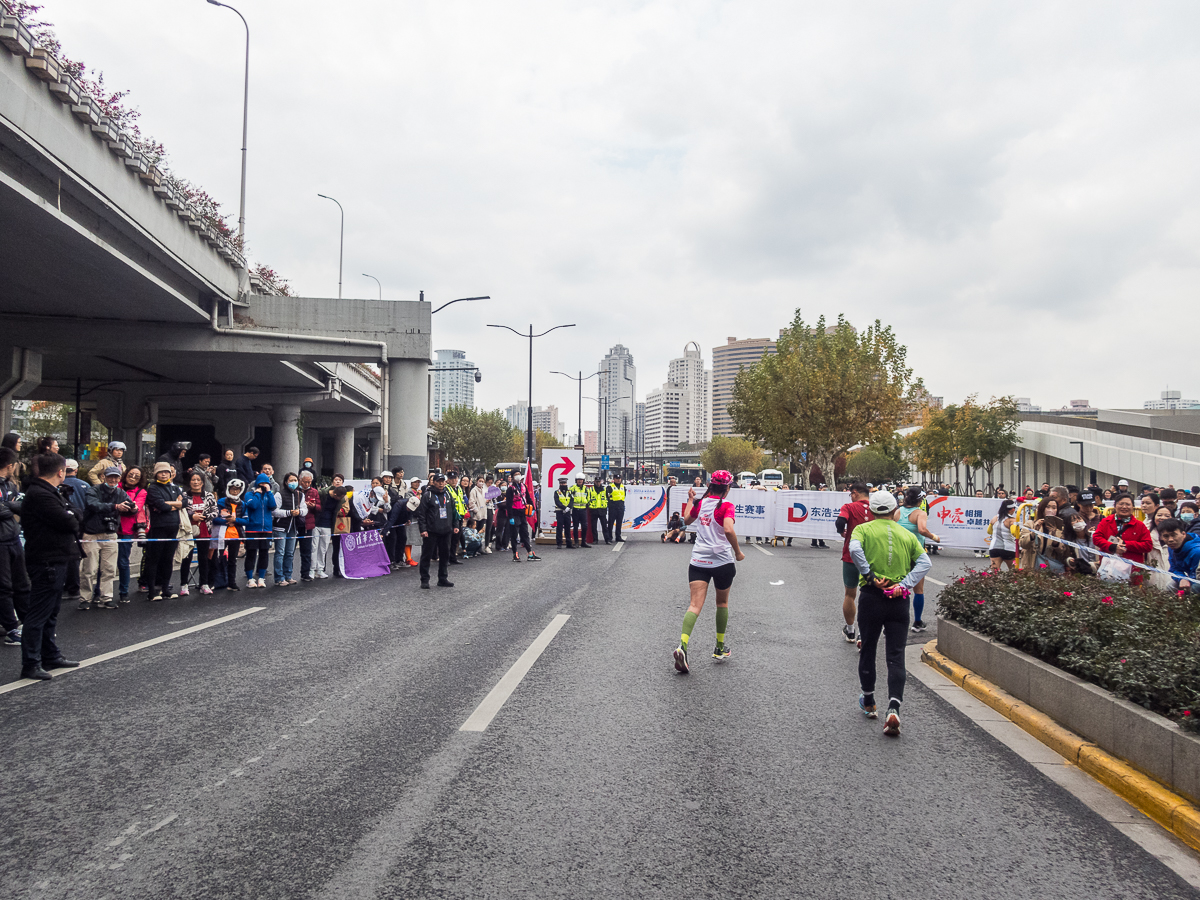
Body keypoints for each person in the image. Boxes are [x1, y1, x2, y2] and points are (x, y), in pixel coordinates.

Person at [847, 490, 931, 736]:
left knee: (869, 648)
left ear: (871, 511)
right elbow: (925, 563)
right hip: (899, 599)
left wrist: (870, 576)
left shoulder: (862, 530)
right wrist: (904, 585)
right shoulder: (906, 533)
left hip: (873, 596)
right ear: (895, 511)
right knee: (895, 654)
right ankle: (894, 707)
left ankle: (870, 700)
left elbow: (854, 550)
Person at [18, 452, 84, 680]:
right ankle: (31, 662)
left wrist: (72, 514)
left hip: (57, 558)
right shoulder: (40, 495)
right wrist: (72, 515)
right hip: (46, 560)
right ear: (60, 471)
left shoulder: (49, 492)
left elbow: (74, 514)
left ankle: (50, 654)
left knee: (51, 612)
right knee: (38, 614)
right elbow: (70, 521)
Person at [672, 470, 745, 674]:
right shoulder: (727, 506)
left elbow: (686, 520)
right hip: (722, 561)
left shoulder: (700, 503)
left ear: (710, 486)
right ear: (727, 488)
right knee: (722, 603)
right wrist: (738, 552)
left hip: (698, 561)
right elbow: (729, 530)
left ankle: (683, 646)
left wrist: (689, 499)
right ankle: (719, 648)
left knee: (695, 605)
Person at [77, 466, 132, 610]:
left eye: (116, 477)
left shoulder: (121, 492)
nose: (113, 480)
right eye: (110, 477)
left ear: (119, 479)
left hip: (110, 533)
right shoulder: (93, 490)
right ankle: (85, 598)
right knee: (89, 568)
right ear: (103, 477)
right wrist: (115, 507)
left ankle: (106, 597)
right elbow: (92, 504)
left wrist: (132, 508)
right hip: (91, 533)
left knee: (109, 569)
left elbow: (129, 505)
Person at [897, 487, 940, 630]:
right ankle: (917, 622)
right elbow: (922, 529)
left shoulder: (898, 511)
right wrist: (934, 537)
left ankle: (892, 621)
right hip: (916, 553)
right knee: (918, 589)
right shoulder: (920, 513)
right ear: (920, 500)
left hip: (899, 552)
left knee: (897, 586)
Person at [142, 462, 184, 600]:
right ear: (156, 474)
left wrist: (170, 504)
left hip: (174, 526)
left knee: (168, 559)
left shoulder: (175, 488)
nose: (164, 474)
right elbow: (161, 505)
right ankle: (152, 591)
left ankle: (165, 589)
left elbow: (185, 503)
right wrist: (175, 504)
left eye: (167, 472)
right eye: (161, 472)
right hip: (158, 527)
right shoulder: (153, 488)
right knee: (154, 559)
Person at [835, 482, 871, 643]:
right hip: (871, 556)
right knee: (868, 595)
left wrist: (842, 531)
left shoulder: (849, 507)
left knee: (850, 594)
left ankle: (850, 630)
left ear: (855, 493)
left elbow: (840, 522)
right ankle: (864, 633)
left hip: (851, 555)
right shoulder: (876, 508)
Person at [1093, 493, 1153, 585]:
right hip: (1108, 569)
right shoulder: (1106, 522)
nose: (1124, 507)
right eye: (1121, 504)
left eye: (1128, 504)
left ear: (1133, 507)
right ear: (1115, 506)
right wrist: (1112, 546)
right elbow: (1096, 538)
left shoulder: (1140, 525)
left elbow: (1148, 545)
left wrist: (1126, 544)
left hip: (1132, 571)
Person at [0, 447, 28, 646]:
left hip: (13, 537)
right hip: (1, 542)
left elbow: (23, 505)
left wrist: (7, 506)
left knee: (22, 584)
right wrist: (10, 507)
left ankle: (29, 623)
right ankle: (11, 628)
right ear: (10, 466)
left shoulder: (10, 485)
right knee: (4, 587)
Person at [416, 471, 459, 588]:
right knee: (427, 555)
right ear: (434, 482)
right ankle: (424, 579)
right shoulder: (427, 495)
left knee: (445, 555)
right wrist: (423, 529)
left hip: (446, 530)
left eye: (442, 481)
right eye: (438, 482)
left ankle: (443, 578)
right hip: (431, 531)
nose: (441, 484)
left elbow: (454, 512)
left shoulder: (448, 494)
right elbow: (422, 514)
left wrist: (455, 525)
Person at [179, 472, 217, 595]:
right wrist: (192, 516)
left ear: (202, 482)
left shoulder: (209, 496)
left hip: (205, 530)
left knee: (204, 558)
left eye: (198, 480)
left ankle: (204, 584)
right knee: (186, 558)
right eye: (193, 480)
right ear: (189, 482)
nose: (195, 482)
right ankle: (184, 585)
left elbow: (215, 511)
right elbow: (181, 510)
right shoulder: (184, 495)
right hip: (188, 530)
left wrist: (205, 516)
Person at [59, 459, 89, 605]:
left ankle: (68, 585)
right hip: (81, 523)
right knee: (75, 555)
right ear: (76, 470)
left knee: (64, 555)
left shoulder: (58, 485)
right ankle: (73, 587)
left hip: (62, 523)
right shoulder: (85, 485)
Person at [271, 472, 307, 587]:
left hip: (293, 527)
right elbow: (274, 511)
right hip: (280, 526)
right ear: (286, 482)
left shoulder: (300, 495)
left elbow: (305, 509)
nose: (293, 483)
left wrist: (299, 512)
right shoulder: (279, 494)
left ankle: (288, 575)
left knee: (290, 553)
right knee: (280, 552)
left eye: (295, 480)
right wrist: (288, 513)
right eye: (291, 480)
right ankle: (279, 578)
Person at [212, 479, 247, 590]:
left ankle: (232, 583)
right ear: (228, 489)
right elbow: (215, 518)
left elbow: (246, 520)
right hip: (222, 535)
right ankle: (216, 582)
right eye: (233, 489)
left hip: (236, 536)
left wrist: (235, 520)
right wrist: (227, 521)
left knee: (233, 560)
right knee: (218, 559)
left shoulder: (243, 504)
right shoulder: (221, 501)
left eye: (237, 489)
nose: (235, 491)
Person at [243, 473, 277, 588]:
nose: (263, 485)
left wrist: (268, 492)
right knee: (251, 554)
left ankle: (261, 578)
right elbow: (253, 505)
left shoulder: (269, 495)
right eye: (261, 483)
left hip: (266, 529)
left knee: (264, 553)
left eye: (266, 483)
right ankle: (250, 578)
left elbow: (273, 506)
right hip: (252, 529)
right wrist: (257, 494)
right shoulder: (249, 494)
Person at [505, 475, 540, 561]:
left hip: (523, 513)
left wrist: (533, 508)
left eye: (519, 474)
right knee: (514, 535)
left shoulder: (523, 486)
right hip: (514, 513)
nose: (518, 476)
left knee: (525, 534)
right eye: (516, 474)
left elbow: (528, 498)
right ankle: (515, 554)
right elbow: (508, 504)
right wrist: (510, 517)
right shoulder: (510, 489)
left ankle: (530, 553)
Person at [1161, 519, 1200, 593]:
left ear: (1183, 534)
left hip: (1197, 581)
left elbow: (1196, 577)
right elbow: (1174, 568)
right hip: (1189, 578)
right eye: (1166, 536)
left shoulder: (1197, 551)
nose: (1170, 540)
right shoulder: (1172, 547)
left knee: (1194, 588)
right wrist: (1182, 579)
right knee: (1171, 585)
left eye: (1174, 535)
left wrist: (1186, 583)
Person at [298, 471, 319, 581]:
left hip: (308, 524)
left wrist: (314, 506)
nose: (307, 484)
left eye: (309, 482)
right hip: (295, 523)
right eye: (305, 482)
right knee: (289, 552)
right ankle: (286, 575)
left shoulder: (314, 491)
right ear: (300, 480)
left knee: (306, 550)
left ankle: (305, 573)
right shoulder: (295, 491)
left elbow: (319, 508)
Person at [988, 499, 1019, 573]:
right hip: (1009, 548)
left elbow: (989, 531)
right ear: (1012, 509)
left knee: (994, 571)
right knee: (1013, 572)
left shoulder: (994, 518)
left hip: (994, 548)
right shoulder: (1012, 520)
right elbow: (1014, 533)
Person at [553, 477, 574, 548]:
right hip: (559, 512)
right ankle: (559, 543)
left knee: (568, 528)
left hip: (567, 512)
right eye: (562, 483)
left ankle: (569, 543)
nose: (563, 484)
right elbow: (557, 502)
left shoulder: (570, 492)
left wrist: (568, 508)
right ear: (559, 484)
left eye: (564, 483)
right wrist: (564, 508)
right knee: (559, 528)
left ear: (566, 483)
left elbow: (572, 501)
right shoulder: (556, 492)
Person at [570, 475, 591, 548]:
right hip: (575, 509)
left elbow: (589, 497)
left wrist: (587, 503)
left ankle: (583, 542)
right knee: (575, 526)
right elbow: (569, 497)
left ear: (583, 480)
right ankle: (576, 542)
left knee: (585, 526)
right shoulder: (573, 488)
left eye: (581, 480)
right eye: (578, 480)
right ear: (576, 480)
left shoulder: (586, 489)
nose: (580, 481)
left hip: (583, 509)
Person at [589, 476, 610, 545]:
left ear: (601, 482)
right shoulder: (591, 489)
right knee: (594, 526)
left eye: (599, 482)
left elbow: (608, 498)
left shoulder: (604, 489)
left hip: (602, 510)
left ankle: (607, 539)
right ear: (594, 482)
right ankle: (595, 540)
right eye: (597, 482)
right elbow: (588, 499)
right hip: (594, 510)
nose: (598, 483)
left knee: (604, 526)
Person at [608, 475, 627, 542]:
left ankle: (618, 537)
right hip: (613, 506)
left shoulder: (623, 487)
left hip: (620, 506)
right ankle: (609, 537)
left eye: (619, 478)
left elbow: (624, 495)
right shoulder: (610, 487)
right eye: (617, 478)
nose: (618, 480)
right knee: (611, 523)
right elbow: (607, 496)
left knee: (619, 523)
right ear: (614, 479)